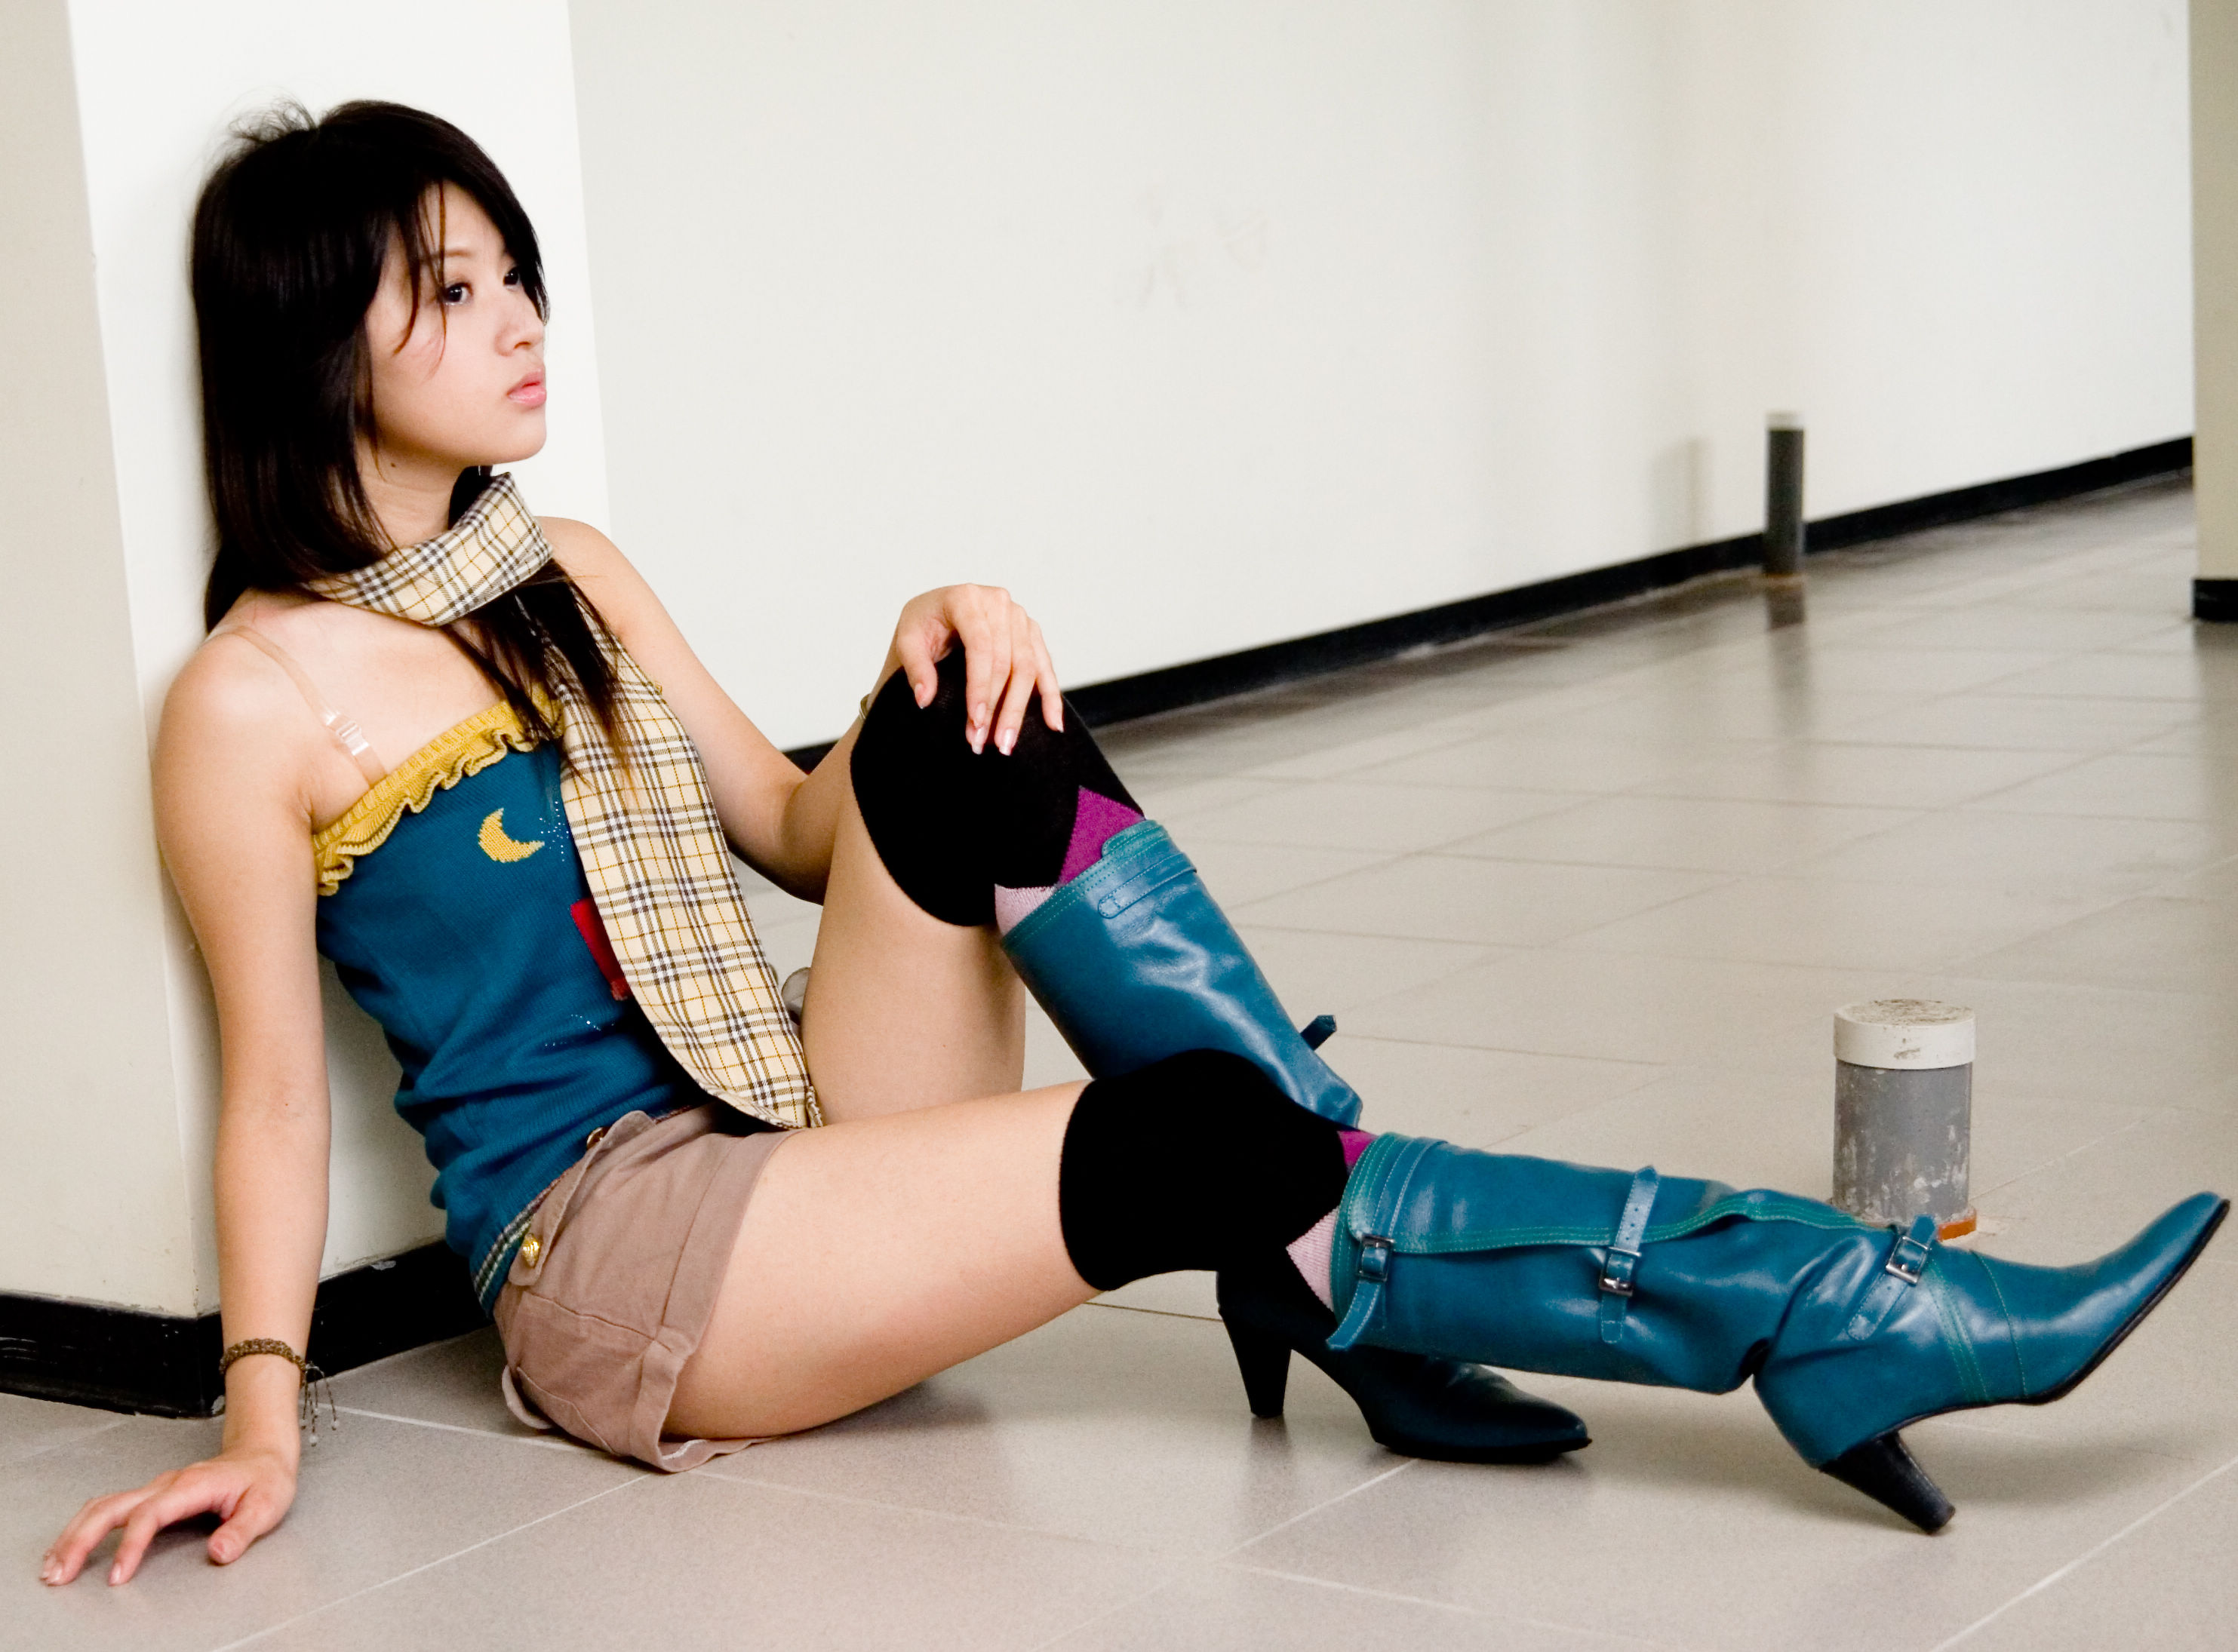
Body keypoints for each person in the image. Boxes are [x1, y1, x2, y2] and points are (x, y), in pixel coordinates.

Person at [40, 101, 2224, 1589]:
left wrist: (927, 636)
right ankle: (1801, 1304)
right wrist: (261, 1420)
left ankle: (1352, 1252)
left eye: (518, 273)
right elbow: (269, 1097)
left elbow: (796, 828)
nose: (525, 320)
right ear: (312, 340)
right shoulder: (252, 700)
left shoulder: (563, 570)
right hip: (625, 1256)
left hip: (790, 1099)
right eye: (455, 292)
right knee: (1199, 1136)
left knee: (968, 721)